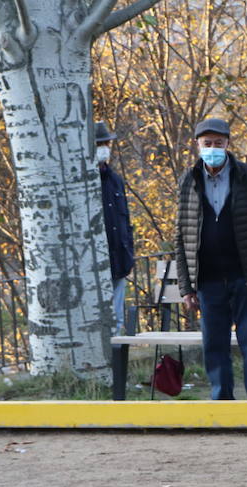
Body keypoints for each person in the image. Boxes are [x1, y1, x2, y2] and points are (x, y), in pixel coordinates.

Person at [175, 117, 247, 400]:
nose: (213, 148)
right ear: (198, 145)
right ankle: (221, 400)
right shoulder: (189, 180)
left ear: (228, 145)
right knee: (214, 344)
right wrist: (186, 287)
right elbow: (181, 237)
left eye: (218, 143)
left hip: (246, 277)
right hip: (208, 280)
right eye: (207, 143)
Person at [95, 121, 136, 333]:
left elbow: (124, 221)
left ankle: (118, 364)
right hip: (94, 266)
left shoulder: (116, 180)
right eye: (98, 144)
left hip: (119, 261)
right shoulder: (83, 183)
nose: (103, 148)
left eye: (105, 143)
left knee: (116, 321)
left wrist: (129, 250)